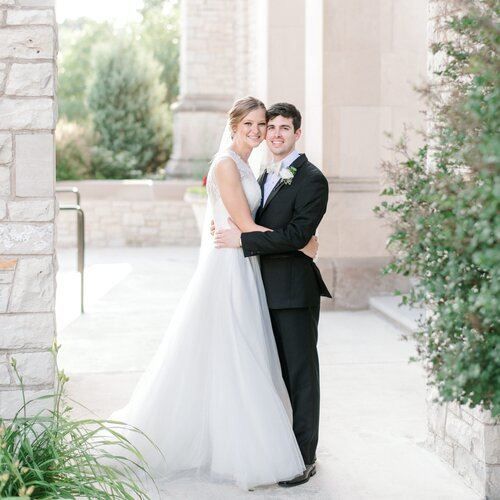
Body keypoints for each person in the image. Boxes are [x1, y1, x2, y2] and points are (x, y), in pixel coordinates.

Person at [110, 96, 319, 490]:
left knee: (242, 352)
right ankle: (237, 447)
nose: (259, 132)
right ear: (235, 125)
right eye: (252, 125)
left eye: (265, 125)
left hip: (245, 263)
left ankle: (245, 439)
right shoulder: (227, 164)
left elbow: (247, 224)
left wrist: (277, 237)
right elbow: (243, 223)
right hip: (230, 268)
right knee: (235, 351)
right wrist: (301, 243)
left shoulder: (251, 167)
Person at [214, 102, 332, 487]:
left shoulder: (311, 178)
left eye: (284, 128)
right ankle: (277, 447)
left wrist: (249, 240)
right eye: (271, 127)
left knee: (300, 375)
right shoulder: (262, 172)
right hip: (258, 287)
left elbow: (299, 234)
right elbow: (282, 233)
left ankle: (304, 458)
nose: (276, 134)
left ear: (298, 133)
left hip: (294, 292)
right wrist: (295, 243)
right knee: (272, 375)